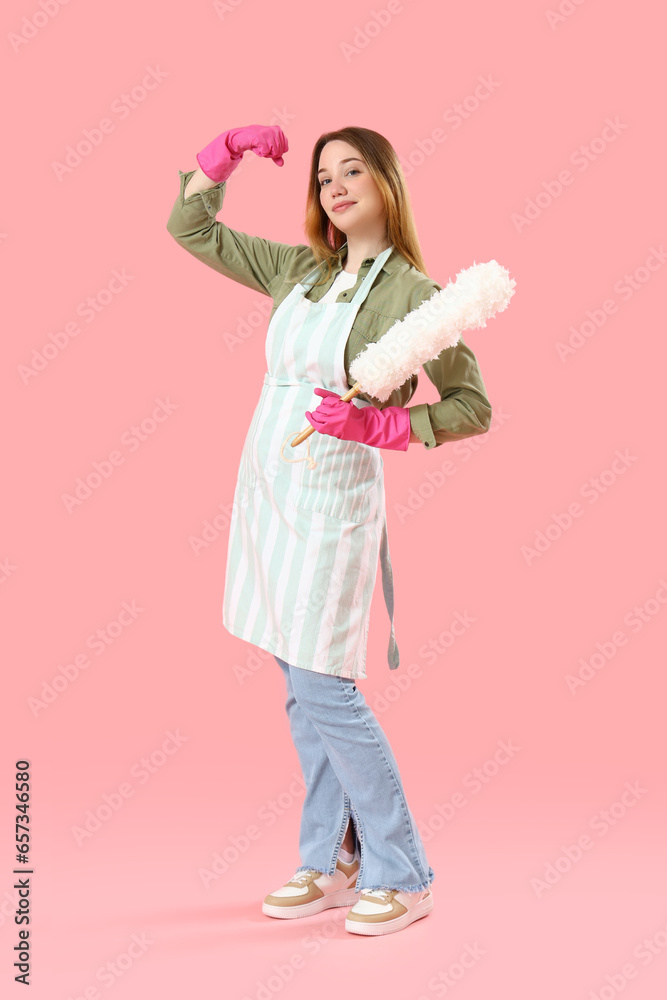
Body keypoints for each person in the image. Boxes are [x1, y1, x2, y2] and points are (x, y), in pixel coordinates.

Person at [166, 124, 493, 936]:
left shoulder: (418, 297)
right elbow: (191, 230)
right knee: (297, 690)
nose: (334, 187)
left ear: (387, 181)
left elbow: (471, 406)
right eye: (321, 178)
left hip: (335, 502)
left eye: (352, 171)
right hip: (268, 490)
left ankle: (403, 872)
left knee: (325, 689)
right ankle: (332, 857)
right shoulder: (296, 269)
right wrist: (222, 156)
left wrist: (385, 429)